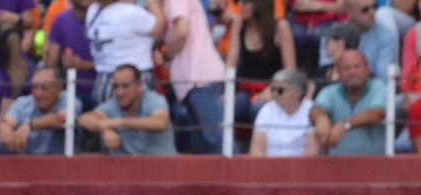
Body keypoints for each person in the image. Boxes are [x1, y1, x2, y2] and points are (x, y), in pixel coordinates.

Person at [164, 0, 226, 151]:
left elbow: (181, 31)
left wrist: (166, 54)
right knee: (203, 146)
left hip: (200, 79)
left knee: (217, 141)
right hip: (197, 81)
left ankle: (240, 175)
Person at [79, 60, 176, 151]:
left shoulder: (154, 100)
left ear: (139, 86)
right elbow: (84, 119)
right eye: (116, 87)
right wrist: (105, 130)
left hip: (162, 167)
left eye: (125, 86)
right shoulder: (114, 103)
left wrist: (119, 122)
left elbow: (160, 122)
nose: (119, 92)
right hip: (126, 168)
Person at [226, 0, 295, 121]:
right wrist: (235, 31)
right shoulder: (240, 27)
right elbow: (231, 66)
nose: (241, 6)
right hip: (245, 90)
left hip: (273, 88)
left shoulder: (280, 27)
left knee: (259, 109)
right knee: (232, 106)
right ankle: (233, 141)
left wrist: (272, 90)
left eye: (246, 2)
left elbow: (290, 70)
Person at [84, 0, 164, 100]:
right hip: (133, 79)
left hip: (103, 80)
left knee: (104, 114)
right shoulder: (129, 12)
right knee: (136, 115)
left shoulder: (93, 10)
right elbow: (159, 27)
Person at [0, 63, 70, 150]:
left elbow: (60, 119)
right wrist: (5, 129)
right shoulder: (24, 102)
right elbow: (7, 121)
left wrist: (29, 126)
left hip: (59, 159)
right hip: (27, 155)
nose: (38, 93)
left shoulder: (68, 99)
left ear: (58, 89)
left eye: (44, 88)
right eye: (34, 87)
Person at [314, 47, 385, 152]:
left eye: (357, 67)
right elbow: (316, 109)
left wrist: (344, 125)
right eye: (346, 68)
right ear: (338, 72)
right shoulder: (330, 91)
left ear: (367, 69)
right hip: (335, 165)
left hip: (374, 165)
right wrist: (320, 118)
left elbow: (376, 114)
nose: (352, 72)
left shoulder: (379, 87)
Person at [249, 65, 323, 152]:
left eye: (280, 90)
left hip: (302, 165)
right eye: (272, 89)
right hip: (270, 165)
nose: (275, 94)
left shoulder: (311, 111)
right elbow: (256, 150)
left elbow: (312, 151)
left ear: (297, 92)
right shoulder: (266, 110)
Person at [45, 0, 95, 108]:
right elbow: (51, 62)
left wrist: (83, 64)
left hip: (100, 90)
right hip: (68, 92)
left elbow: (116, 64)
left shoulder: (107, 21)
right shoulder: (61, 20)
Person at [343, 0, 397, 80]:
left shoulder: (386, 35)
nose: (372, 12)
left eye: (374, 7)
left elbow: (382, 77)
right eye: (365, 9)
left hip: (372, 88)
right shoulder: (336, 35)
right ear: (350, 12)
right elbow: (326, 73)